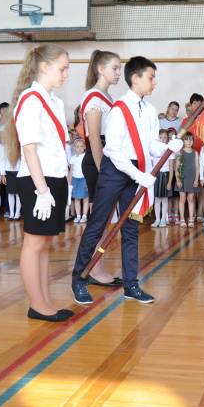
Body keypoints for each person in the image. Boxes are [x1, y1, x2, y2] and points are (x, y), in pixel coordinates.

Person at [72, 56, 183, 306]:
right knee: (98, 224)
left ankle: (131, 285)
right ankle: (79, 280)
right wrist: (137, 175)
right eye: (151, 77)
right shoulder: (119, 108)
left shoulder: (150, 110)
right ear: (136, 78)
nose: (154, 82)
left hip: (137, 172)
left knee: (130, 229)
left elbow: (150, 144)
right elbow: (113, 150)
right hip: (116, 171)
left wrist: (169, 146)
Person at [4, 44, 73, 322]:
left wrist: (61, 182)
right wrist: (42, 190)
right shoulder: (30, 99)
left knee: (45, 243)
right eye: (62, 68)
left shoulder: (54, 101)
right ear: (44, 66)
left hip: (53, 178)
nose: (66, 74)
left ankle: (45, 300)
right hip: (36, 181)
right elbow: (29, 150)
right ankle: (37, 305)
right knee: (33, 243)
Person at [78, 49, 122, 285]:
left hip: (107, 160)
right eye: (114, 68)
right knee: (100, 220)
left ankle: (97, 268)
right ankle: (94, 270)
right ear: (100, 69)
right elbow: (94, 138)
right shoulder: (94, 97)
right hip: (98, 161)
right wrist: (104, 171)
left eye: (119, 69)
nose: (118, 73)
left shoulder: (107, 98)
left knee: (105, 220)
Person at [175, 132, 200, 226]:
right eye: (186, 139)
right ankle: (182, 219)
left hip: (192, 178)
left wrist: (196, 179)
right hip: (182, 178)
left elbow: (197, 167)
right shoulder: (180, 153)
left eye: (191, 139)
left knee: (191, 198)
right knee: (182, 198)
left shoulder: (195, 153)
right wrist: (178, 180)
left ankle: (191, 219)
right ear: (183, 141)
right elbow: (177, 167)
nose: (189, 141)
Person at [152, 129, 175, 227]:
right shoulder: (153, 150)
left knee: (164, 199)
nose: (162, 139)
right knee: (157, 198)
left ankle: (163, 220)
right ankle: (157, 219)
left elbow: (171, 168)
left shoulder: (169, 151)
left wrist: (169, 181)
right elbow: (152, 165)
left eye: (165, 138)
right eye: (160, 137)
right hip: (156, 176)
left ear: (167, 139)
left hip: (165, 175)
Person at [68, 138, 89, 223]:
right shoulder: (72, 158)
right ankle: (78, 215)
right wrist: (69, 183)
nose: (79, 148)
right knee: (76, 199)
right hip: (75, 179)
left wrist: (88, 181)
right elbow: (71, 171)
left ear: (84, 147)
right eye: (77, 146)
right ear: (74, 148)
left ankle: (84, 216)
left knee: (85, 198)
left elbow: (88, 170)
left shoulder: (86, 157)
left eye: (81, 146)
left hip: (84, 179)